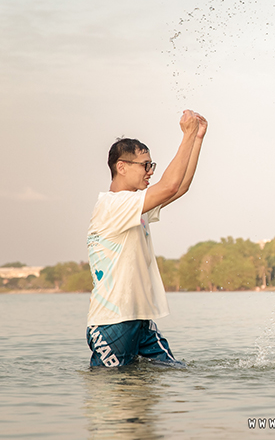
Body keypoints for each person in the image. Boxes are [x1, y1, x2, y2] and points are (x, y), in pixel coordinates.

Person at [86, 110, 208, 367]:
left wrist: (196, 139)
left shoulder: (134, 205)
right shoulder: (112, 205)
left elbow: (180, 187)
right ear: (121, 167)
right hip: (112, 323)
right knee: (114, 389)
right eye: (145, 165)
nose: (150, 172)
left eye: (152, 165)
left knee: (174, 372)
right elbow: (169, 186)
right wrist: (186, 135)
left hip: (139, 320)